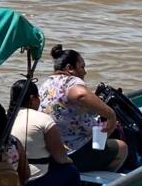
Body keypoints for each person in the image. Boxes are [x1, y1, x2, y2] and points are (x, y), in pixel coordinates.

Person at [38, 44, 127, 172]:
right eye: (82, 67)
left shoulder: (46, 85)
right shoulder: (71, 81)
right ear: (69, 68)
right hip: (72, 152)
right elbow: (80, 95)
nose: (85, 72)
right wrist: (111, 115)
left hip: (51, 150)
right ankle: (96, 185)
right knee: (122, 147)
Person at [9, 79, 82, 186]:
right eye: (38, 97)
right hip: (32, 183)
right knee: (71, 170)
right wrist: (69, 160)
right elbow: (61, 158)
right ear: (32, 98)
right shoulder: (43, 119)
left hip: (10, 180)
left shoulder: (6, 117)